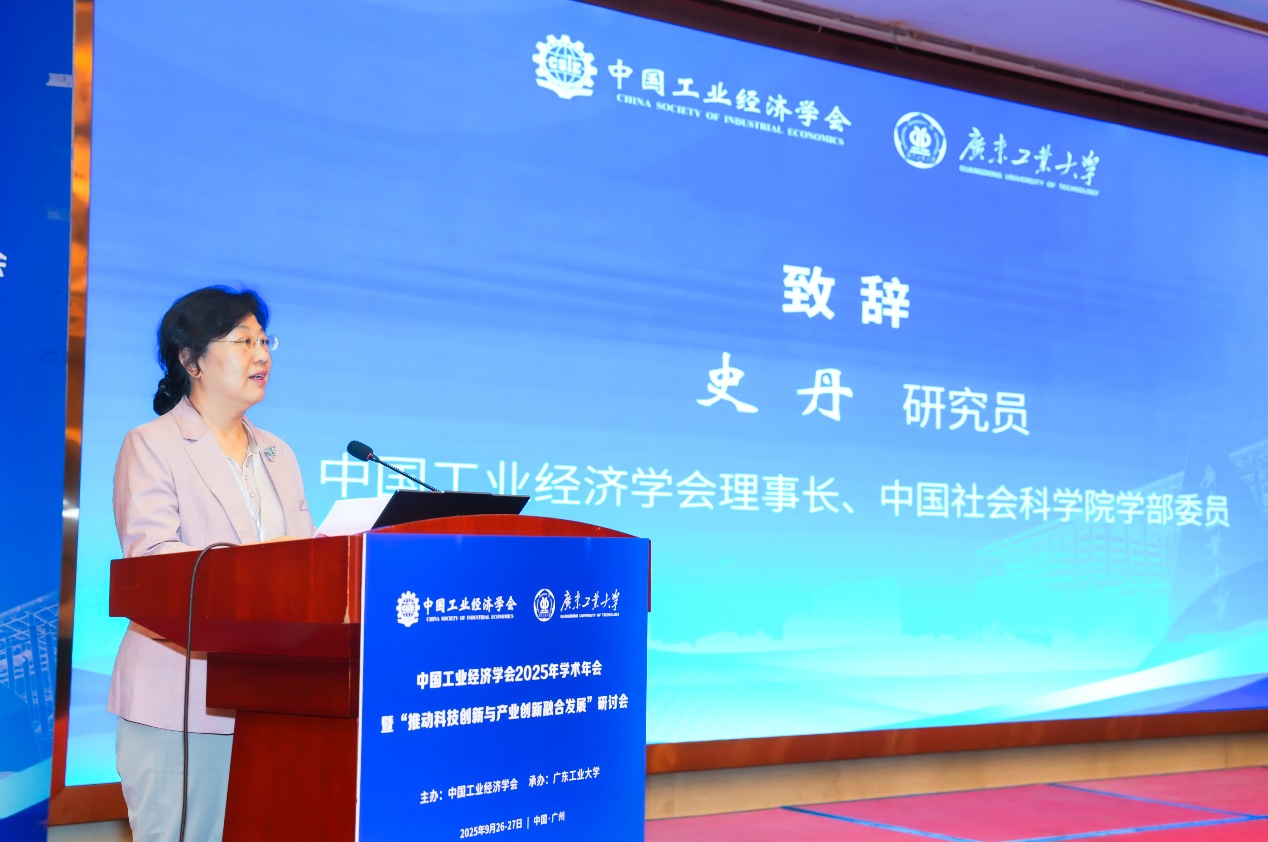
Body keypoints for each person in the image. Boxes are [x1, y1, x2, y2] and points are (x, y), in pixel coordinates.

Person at [107, 286, 315, 841]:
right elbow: (153, 563)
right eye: (243, 341)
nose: (262, 354)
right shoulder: (152, 445)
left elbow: (307, 561)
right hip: (179, 697)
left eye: (264, 341)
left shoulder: (279, 453)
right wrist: (261, 566)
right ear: (191, 360)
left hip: (270, 698)